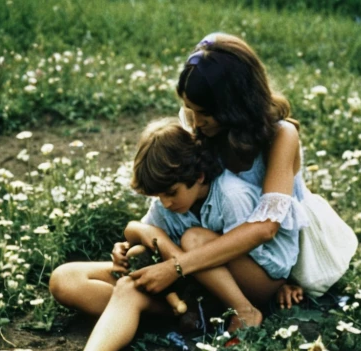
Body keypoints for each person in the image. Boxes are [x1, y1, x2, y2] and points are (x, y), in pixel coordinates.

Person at [48, 118, 300, 351]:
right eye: (159, 196)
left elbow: (263, 251)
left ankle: (243, 313)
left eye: (171, 193)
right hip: (188, 286)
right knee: (68, 279)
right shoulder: (168, 204)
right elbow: (146, 235)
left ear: (199, 175)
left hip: (248, 283)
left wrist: (287, 283)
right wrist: (128, 246)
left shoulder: (230, 195)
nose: (166, 202)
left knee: (193, 239)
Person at [123, 33, 308, 310]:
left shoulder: (282, 136)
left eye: (204, 113)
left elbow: (265, 229)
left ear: (234, 105)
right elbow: (180, 180)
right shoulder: (201, 124)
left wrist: (176, 266)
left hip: (261, 259)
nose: (195, 123)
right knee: (142, 252)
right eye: (189, 109)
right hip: (215, 239)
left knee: (192, 240)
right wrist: (143, 234)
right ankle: (192, 301)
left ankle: (235, 306)